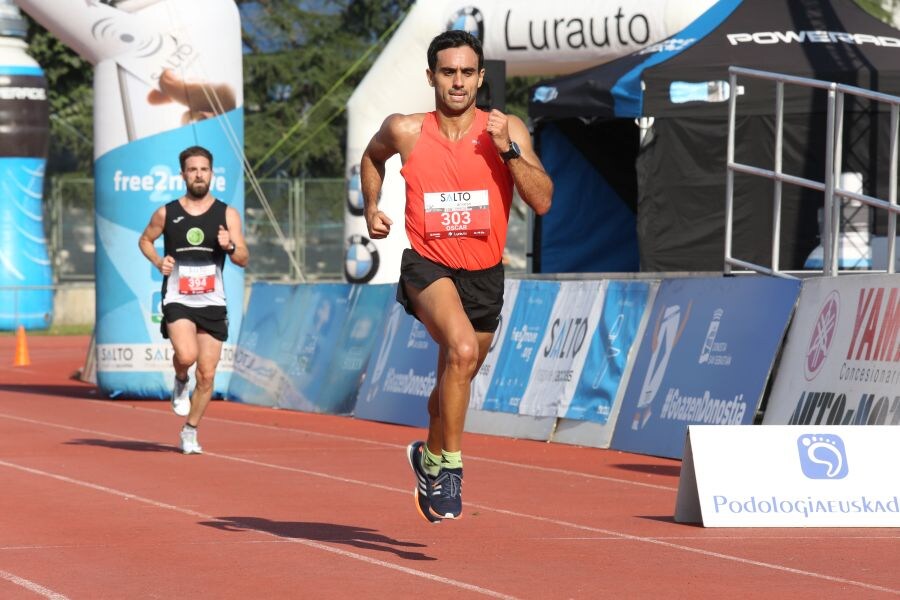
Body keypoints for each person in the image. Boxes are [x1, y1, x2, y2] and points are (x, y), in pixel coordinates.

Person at [360, 30, 553, 521]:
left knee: (455, 376)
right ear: (432, 77)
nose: (458, 82)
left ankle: (426, 457)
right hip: (429, 266)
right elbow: (371, 156)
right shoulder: (405, 129)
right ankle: (449, 468)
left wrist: (508, 151)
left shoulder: (505, 129)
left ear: (480, 77)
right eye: (448, 72)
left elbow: (543, 200)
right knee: (462, 351)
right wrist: (371, 207)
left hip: (485, 274)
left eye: (468, 72)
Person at [138, 145, 248, 454]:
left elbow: (243, 257)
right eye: (192, 169)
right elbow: (145, 239)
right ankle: (179, 377)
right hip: (178, 297)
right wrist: (158, 261)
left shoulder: (227, 214)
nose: (198, 175)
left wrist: (229, 246)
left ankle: (190, 430)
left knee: (208, 374)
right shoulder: (167, 212)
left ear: (212, 173)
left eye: (204, 169)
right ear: (183, 174)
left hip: (213, 301)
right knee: (186, 356)